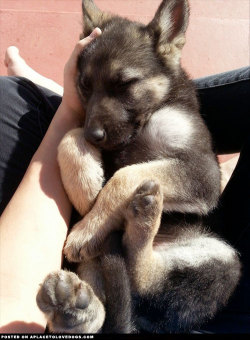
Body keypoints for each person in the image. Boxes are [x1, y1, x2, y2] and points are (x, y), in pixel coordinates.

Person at [0, 27, 249, 333]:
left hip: (100, 266)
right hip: (168, 287)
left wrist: (70, 111)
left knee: (19, 102)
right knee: (225, 262)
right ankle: (132, 267)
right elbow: (202, 187)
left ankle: (51, 95)